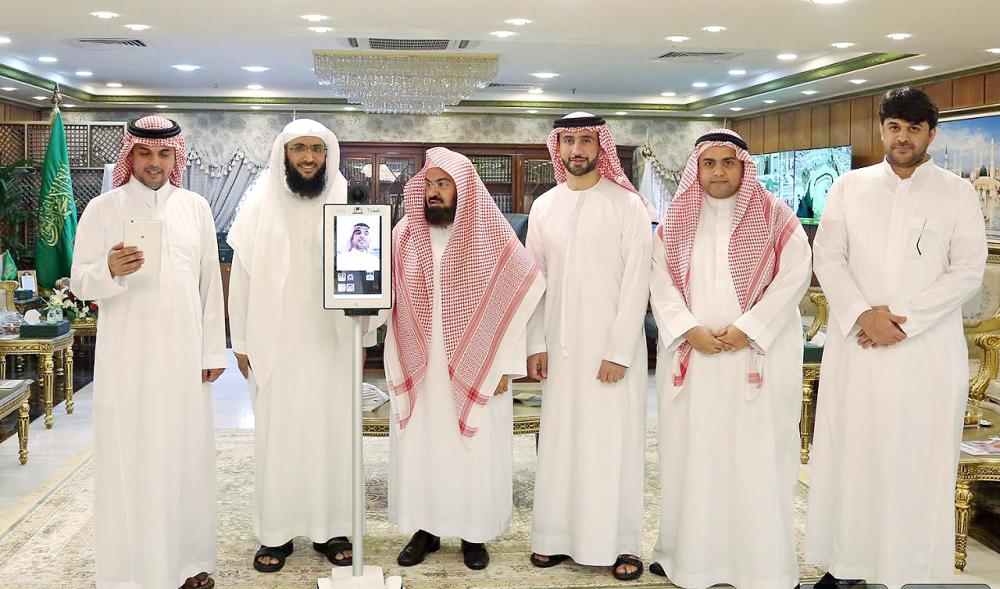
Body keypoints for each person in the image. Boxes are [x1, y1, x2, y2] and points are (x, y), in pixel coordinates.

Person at [806, 87, 988, 588]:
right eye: (893, 127)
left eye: (913, 129)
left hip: (925, 352)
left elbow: (967, 271)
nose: (902, 137)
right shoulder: (850, 186)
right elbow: (829, 256)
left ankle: (908, 571)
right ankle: (846, 566)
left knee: (917, 458)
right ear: (881, 129)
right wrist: (863, 315)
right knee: (853, 455)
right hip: (858, 348)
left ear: (931, 133)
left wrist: (903, 321)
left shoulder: (957, 193)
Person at [649, 128, 812, 588]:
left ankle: (761, 565)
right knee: (692, 458)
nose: (718, 172)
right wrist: (688, 330)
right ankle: (689, 559)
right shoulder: (675, 221)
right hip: (694, 358)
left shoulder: (777, 217)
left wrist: (749, 329)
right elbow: (659, 282)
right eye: (709, 163)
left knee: (758, 459)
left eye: (728, 163)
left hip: (757, 360)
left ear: (744, 166)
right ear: (697, 169)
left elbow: (794, 278)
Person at [71, 115, 226, 589]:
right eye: (144, 153)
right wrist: (108, 270)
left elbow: (208, 286)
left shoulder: (195, 207)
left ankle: (185, 563)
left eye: (163, 154)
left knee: (184, 456)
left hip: (184, 358)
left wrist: (212, 352)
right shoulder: (103, 208)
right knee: (132, 457)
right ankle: (131, 571)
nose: (154, 163)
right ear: (130, 155)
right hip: (128, 361)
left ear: (176, 157)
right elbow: (79, 282)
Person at [384, 147, 543, 570]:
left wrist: (506, 364)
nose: (433, 192)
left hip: (480, 362)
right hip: (420, 361)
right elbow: (385, 294)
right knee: (424, 448)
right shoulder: (404, 234)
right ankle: (425, 529)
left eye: (443, 184)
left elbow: (518, 297)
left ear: (464, 189)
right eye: (428, 184)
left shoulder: (491, 234)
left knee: (474, 451)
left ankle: (475, 533)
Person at [228, 119, 374, 573]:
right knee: (280, 439)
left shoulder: (349, 201)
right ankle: (276, 532)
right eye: (299, 149)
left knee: (334, 436)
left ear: (329, 155)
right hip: (277, 343)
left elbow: (371, 272)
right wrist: (241, 341)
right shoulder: (260, 205)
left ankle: (333, 529)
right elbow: (242, 279)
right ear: (284, 155)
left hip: (333, 343)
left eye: (317, 149)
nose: (309, 157)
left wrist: (365, 334)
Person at [527, 112, 654, 581]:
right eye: (568, 141)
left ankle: (621, 544)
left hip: (611, 352)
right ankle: (556, 538)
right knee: (561, 446)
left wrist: (619, 350)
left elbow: (638, 282)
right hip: (560, 351)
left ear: (601, 146)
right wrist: (535, 343)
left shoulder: (627, 205)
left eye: (585, 140)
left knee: (611, 447)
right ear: (557, 148)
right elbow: (535, 281)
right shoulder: (545, 207)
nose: (576, 149)